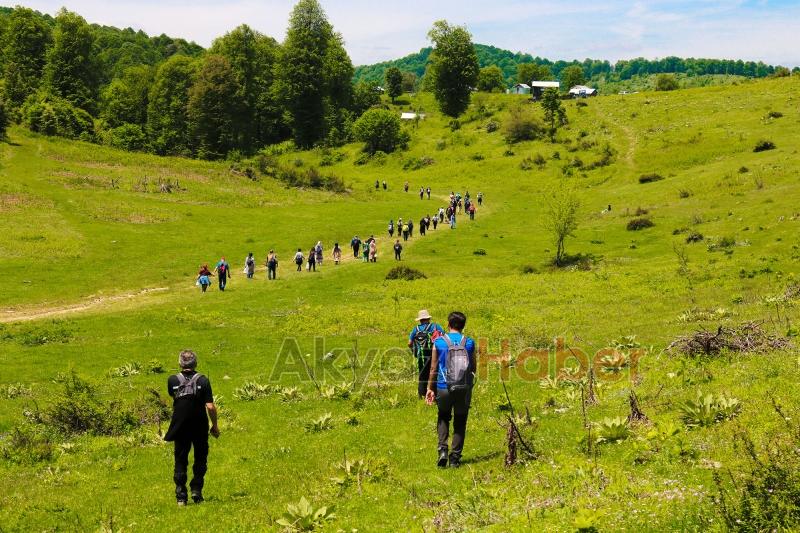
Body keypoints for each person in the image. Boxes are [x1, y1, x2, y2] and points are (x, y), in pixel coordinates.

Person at [164, 350, 219, 505]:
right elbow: (210, 406)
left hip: (180, 426)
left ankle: (181, 496)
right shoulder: (203, 380)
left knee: (180, 459)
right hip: (199, 425)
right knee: (200, 457)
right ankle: (196, 490)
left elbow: (174, 397)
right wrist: (214, 425)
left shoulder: (172, 380)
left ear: (180, 363)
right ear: (196, 363)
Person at [426, 312, 475, 468]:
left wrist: (429, 388)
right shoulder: (469, 343)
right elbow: (473, 367)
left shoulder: (439, 342)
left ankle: (442, 451)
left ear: (448, 324)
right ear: (463, 325)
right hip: (464, 387)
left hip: (443, 387)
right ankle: (455, 458)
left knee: (443, 417)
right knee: (460, 421)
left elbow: (433, 368)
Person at [410, 310, 445, 399]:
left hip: (421, 357)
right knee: (435, 374)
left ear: (420, 320)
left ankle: (421, 395)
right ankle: (435, 394)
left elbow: (409, 343)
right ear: (429, 318)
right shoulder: (436, 327)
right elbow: (444, 338)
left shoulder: (416, 329)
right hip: (434, 355)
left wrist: (414, 352)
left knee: (422, 376)